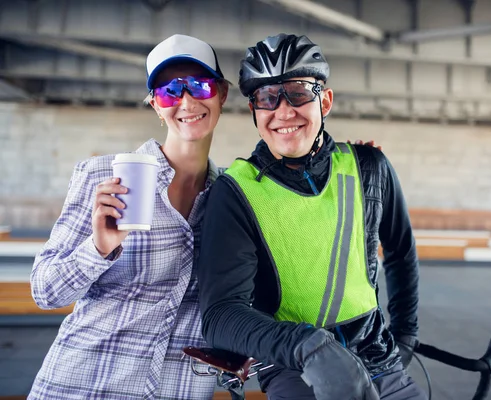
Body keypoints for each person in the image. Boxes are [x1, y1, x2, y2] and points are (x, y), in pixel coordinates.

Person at [197, 33, 427, 400]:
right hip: (296, 369)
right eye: (267, 97)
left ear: (326, 100)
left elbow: (400, 251)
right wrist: (308, 348)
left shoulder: (369, 166)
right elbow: (221, 314)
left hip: (381, 360)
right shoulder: (236, 191)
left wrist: (405, 335)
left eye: (299, 92)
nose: (284, 110)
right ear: (255, 110)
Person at [28, 34, 229, 399]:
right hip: (84, 384)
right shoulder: (102, 175)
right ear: (156, 104)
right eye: (170, 92)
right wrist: (98, 247)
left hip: (179, 389)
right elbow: (45, 291)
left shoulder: (233, 194)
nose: (185, 100)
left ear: (222, 94)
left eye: (199, 86)